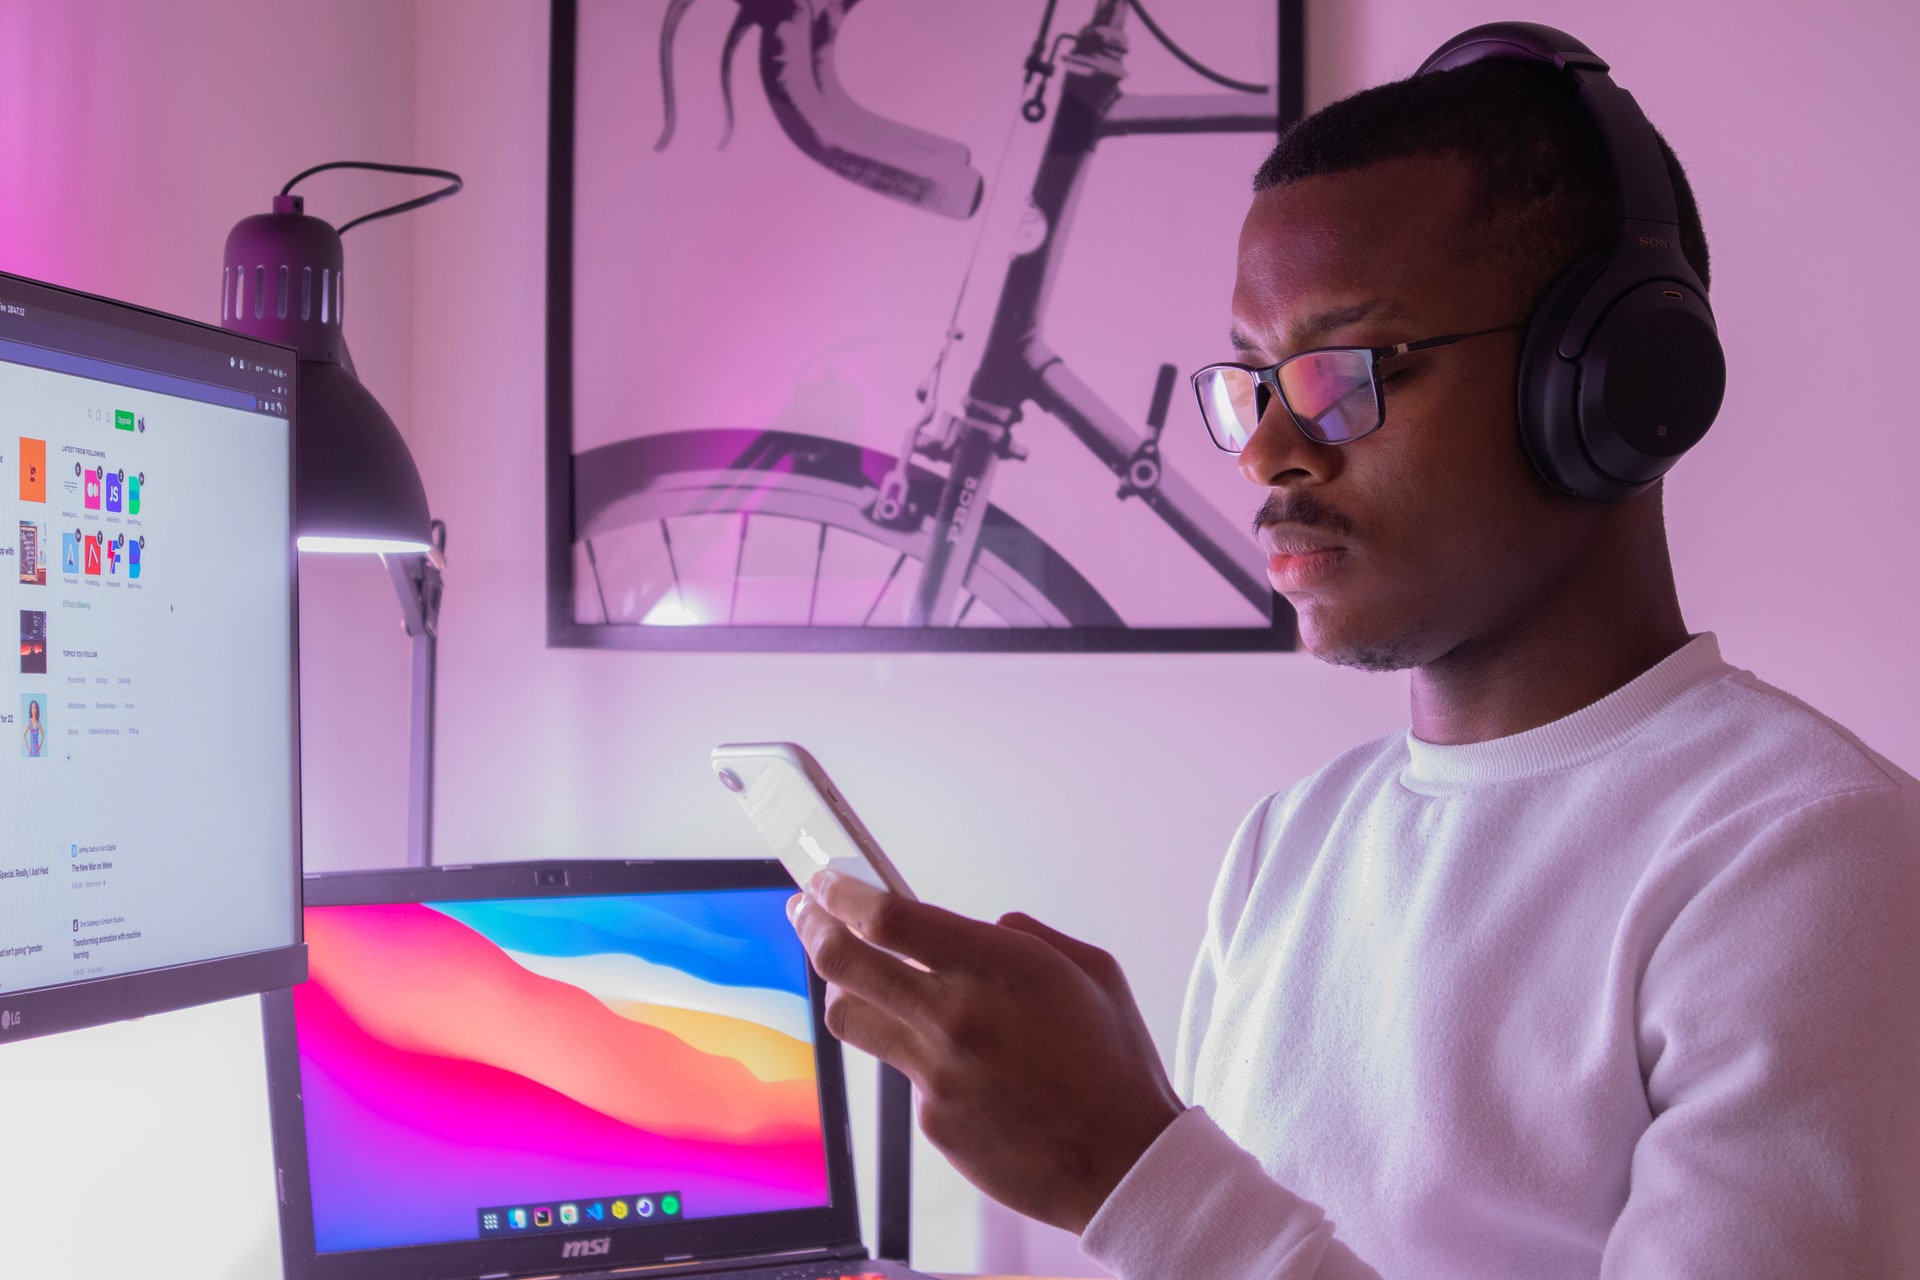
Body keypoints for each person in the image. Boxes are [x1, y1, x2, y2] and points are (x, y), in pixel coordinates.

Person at [789, 28, 1920, 1280]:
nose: (1270, 449)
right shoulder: (1292, 839)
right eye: (1255, 381)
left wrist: (1130, 1170)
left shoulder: (1815, 853)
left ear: (1601, 385)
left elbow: (1191, 1228)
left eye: (1343, 372)